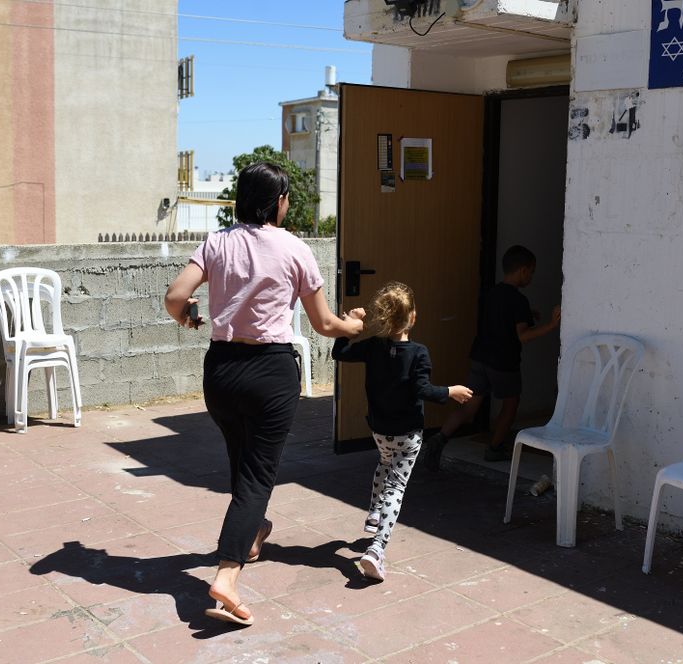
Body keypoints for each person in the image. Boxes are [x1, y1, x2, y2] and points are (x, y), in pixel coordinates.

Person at [164, 162, 365, 626]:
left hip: (221, 370)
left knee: (242, 461)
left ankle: (253, 535)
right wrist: (357, 325)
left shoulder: (217, 242)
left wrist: (190, 320)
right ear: (278, 202)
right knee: (257, 478)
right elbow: (325, 324)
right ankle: (227, 576)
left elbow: (176, 297)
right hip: (269, 373)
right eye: (287, 197)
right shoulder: (294, 248)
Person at [332, 282, 472, 581]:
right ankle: (376, 549)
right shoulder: (419, 353)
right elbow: (422, 389)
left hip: (380, 430)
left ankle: (373, 513)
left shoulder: (372, 346)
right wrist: (451, 391)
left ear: (383, 317)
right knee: (396, 486)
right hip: (408, 434)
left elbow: (340, 353)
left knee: (384, 463)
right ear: (413, 317)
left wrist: (350, 325)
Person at [426, 245, 560, 467]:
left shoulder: (492, 293)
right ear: (523, 271)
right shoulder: (518, 300)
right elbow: (523, 336)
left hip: (480, 357)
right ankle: (495, 448)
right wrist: (551, 326)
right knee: (510, 404)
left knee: (469, 407)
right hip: (503, 362)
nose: (532, 276)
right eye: (532, 272)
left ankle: (439, 439)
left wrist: (529, 314)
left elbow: (502, 317)